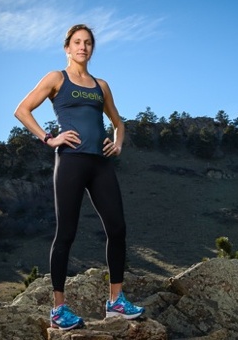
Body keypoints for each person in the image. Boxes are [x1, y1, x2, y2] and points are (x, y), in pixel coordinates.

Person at [14, 24, 144, 330]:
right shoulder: (56, 78)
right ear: (67, 48)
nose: (82, 47)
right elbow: (22, 110)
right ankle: (59, 309)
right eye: (77, 42)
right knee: (67, 233)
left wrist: (118, 143)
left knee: (117, 227)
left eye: (87, 43)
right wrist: (50, 138)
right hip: (70, 161)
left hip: (100, 165)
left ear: (91, 48)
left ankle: (116, 302)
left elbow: (118, 122)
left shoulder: (101, 85)